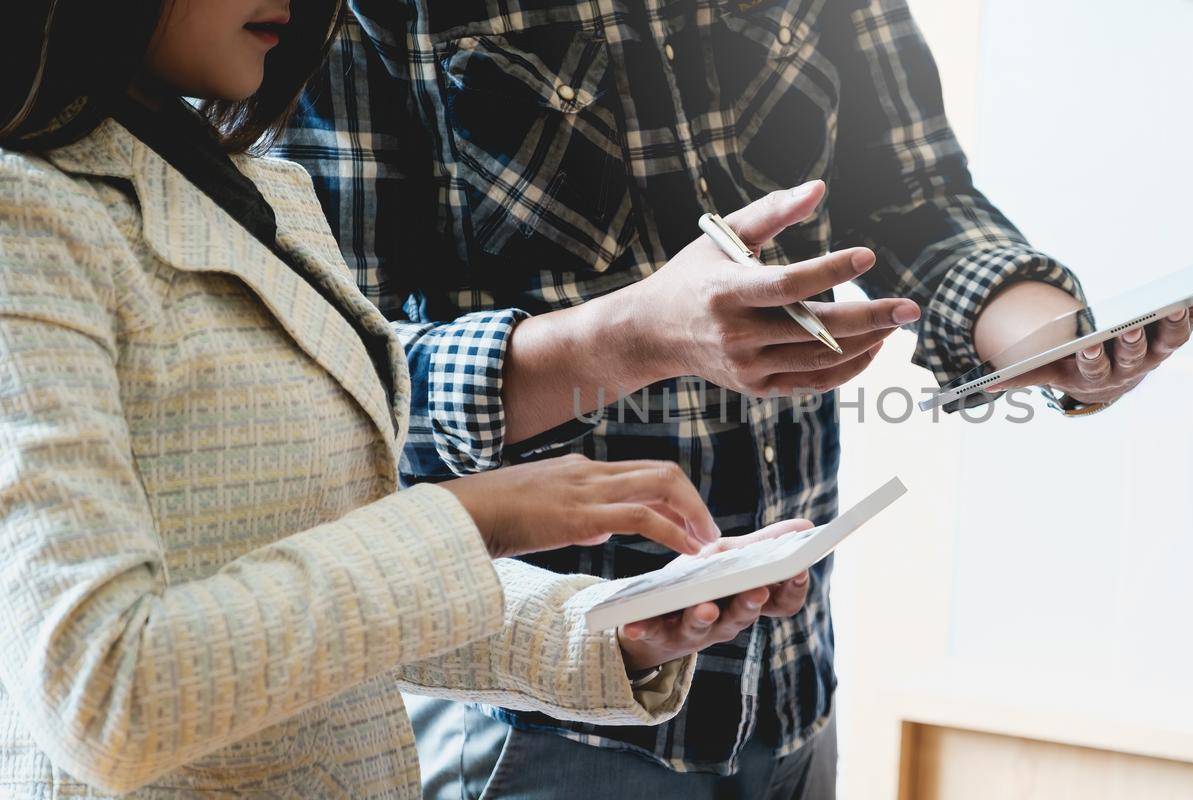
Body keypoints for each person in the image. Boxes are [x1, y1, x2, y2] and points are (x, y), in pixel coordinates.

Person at [279, 0, 1193, 796]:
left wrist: (1047, 341)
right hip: (533, 724)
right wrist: (634, 338)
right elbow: (332, 386)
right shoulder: (348, 17)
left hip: (789, 693)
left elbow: (915, 193)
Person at [0, 1, 814, 796]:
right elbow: (103, 697)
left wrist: (611, 625)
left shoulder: (262, 192)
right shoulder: (24, 216)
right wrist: (474, 519)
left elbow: (333, 596)